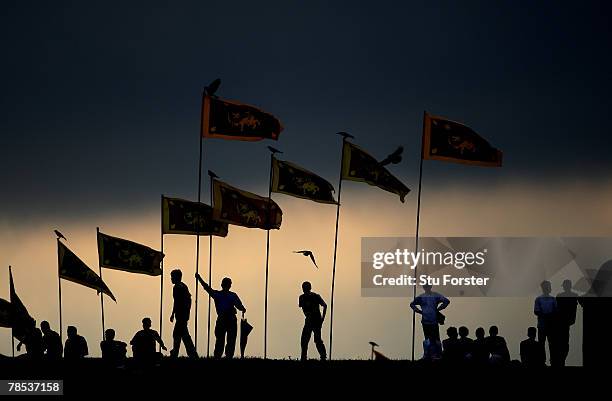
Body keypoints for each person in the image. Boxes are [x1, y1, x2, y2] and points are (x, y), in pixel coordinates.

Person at [196, 273, 246, 359]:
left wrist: (199, 279)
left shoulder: (219, 295)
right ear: (230, 285)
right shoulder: (231, 295)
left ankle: (219, 356)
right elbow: (239, 306)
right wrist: (242, 309)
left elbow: (207, 288)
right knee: (228, 340)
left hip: (224, 320)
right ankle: (226, 356)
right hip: (229, 320)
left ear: (222, 285)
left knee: (222, 340)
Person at [410, 285, 450, 359]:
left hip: (433, 320)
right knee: (428, 338)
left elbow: (446, 301)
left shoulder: (435, 295)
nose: (426, 288)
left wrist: (438, 309)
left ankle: (437, 354)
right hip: (426, 320)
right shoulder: (422, 297)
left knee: (435, 338)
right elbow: (412, 304)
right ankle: (429, 354)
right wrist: (418, 311)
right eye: (425, 286)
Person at [170, 269, 198, 359]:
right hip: (182, 315)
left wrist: (176, 313)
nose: (171, 279)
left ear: (177, 277)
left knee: (179, 335)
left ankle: (176, 353)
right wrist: (174, 313)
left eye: (172, 277)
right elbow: (179, 301)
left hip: (182, 315)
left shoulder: (179, 287)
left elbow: (180, 301)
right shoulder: (182, 286)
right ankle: (191, 354)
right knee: (182, 335)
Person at [298, 281, 327, 361]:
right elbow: (303, 309)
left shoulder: (315, 296)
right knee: (304, 340)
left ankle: (323, 356)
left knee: (316, 340)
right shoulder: (302, 298)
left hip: (316, 320)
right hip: (309, 321)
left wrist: (322, 318)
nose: (305, 290)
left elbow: (325, 305)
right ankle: (304, 357)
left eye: (306, 288)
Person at [556, 279, 579, 367]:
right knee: (564, 342)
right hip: (564, 322)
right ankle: (561, 360)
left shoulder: (561, 296)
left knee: (562, 342)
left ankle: (561, 360)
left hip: (563, 322)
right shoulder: (573, 296)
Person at [534, 280, 557, 365]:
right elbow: (536, 311)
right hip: (544, 325)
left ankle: (551, 360)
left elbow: (537, 311)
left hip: (546, 325)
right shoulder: (540, 299)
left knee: (548, 344)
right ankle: (542, 361)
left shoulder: (552, 299)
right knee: (543, 344)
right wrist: (549, 316)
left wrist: (545, 315)